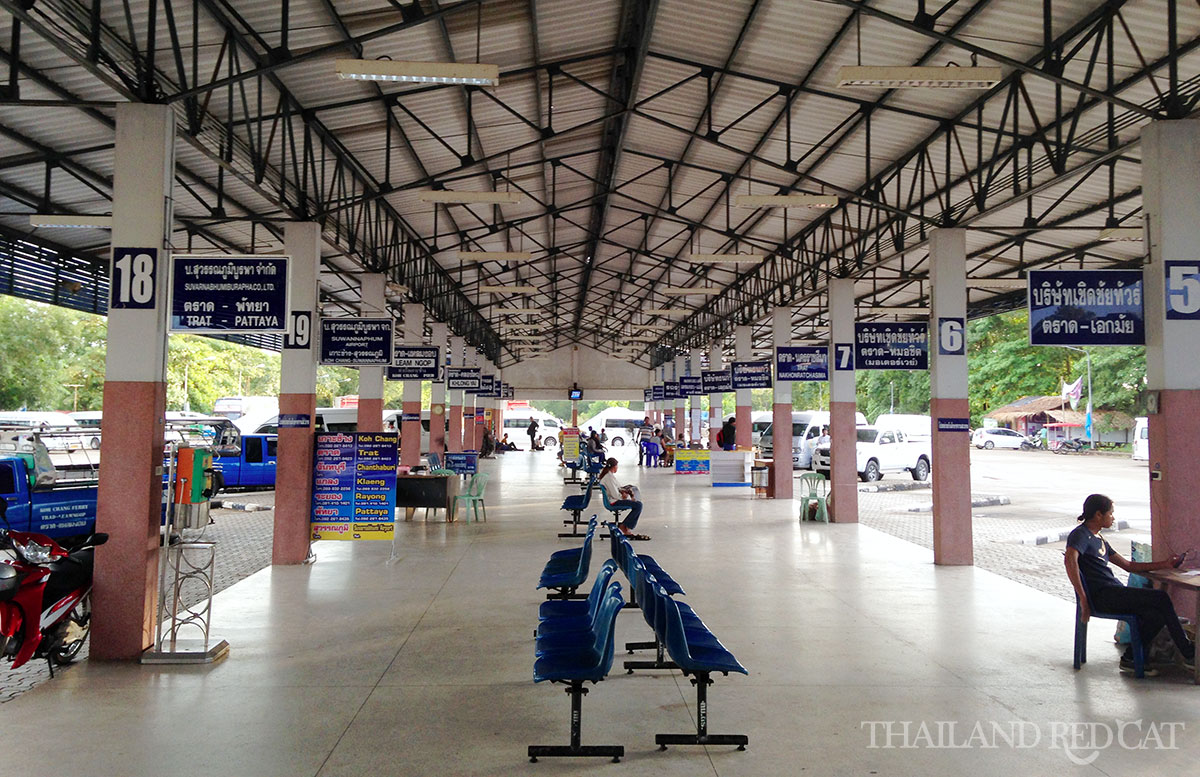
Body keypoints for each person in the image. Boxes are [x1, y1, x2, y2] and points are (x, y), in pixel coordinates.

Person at [1064, 493, 1195, 676]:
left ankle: (1131, 658)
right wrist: (1084, 600)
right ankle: (1189, 653)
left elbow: (1128, 565)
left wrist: (1165, 564)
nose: (1113, 517)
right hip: (1103, 596)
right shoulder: (1080, 535)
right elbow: (1070, 561)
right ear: (1098, 515)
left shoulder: (1099, 538)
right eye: (1111, 513)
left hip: (1114, 592)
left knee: (1156, 614)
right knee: (1161, 597)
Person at [597, 457, 647, 540]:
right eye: (617, 466)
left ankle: (625, 525)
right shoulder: (608, 478)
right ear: (614, 467)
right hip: (614, 501)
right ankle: (625, 526)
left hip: (615, 499)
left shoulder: (609, 476)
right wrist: (624, 496)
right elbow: (615, 494)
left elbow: (618, 487)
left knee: (637, 504)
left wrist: (625, 490)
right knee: (638, 506)